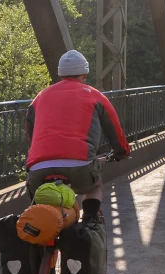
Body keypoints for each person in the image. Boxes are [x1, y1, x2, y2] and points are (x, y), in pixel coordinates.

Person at [25, 49, 130, 221]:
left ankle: (41, 239)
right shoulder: (96, 96)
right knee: (94, 186)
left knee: (39, 205)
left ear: (60, 75)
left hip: (39, 169)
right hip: (80, 167)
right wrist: (122, 152)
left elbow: (29, 126)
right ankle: (89, 220)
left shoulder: (40, 97)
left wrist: (36, 152)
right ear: (84, 75)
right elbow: (115, 130)